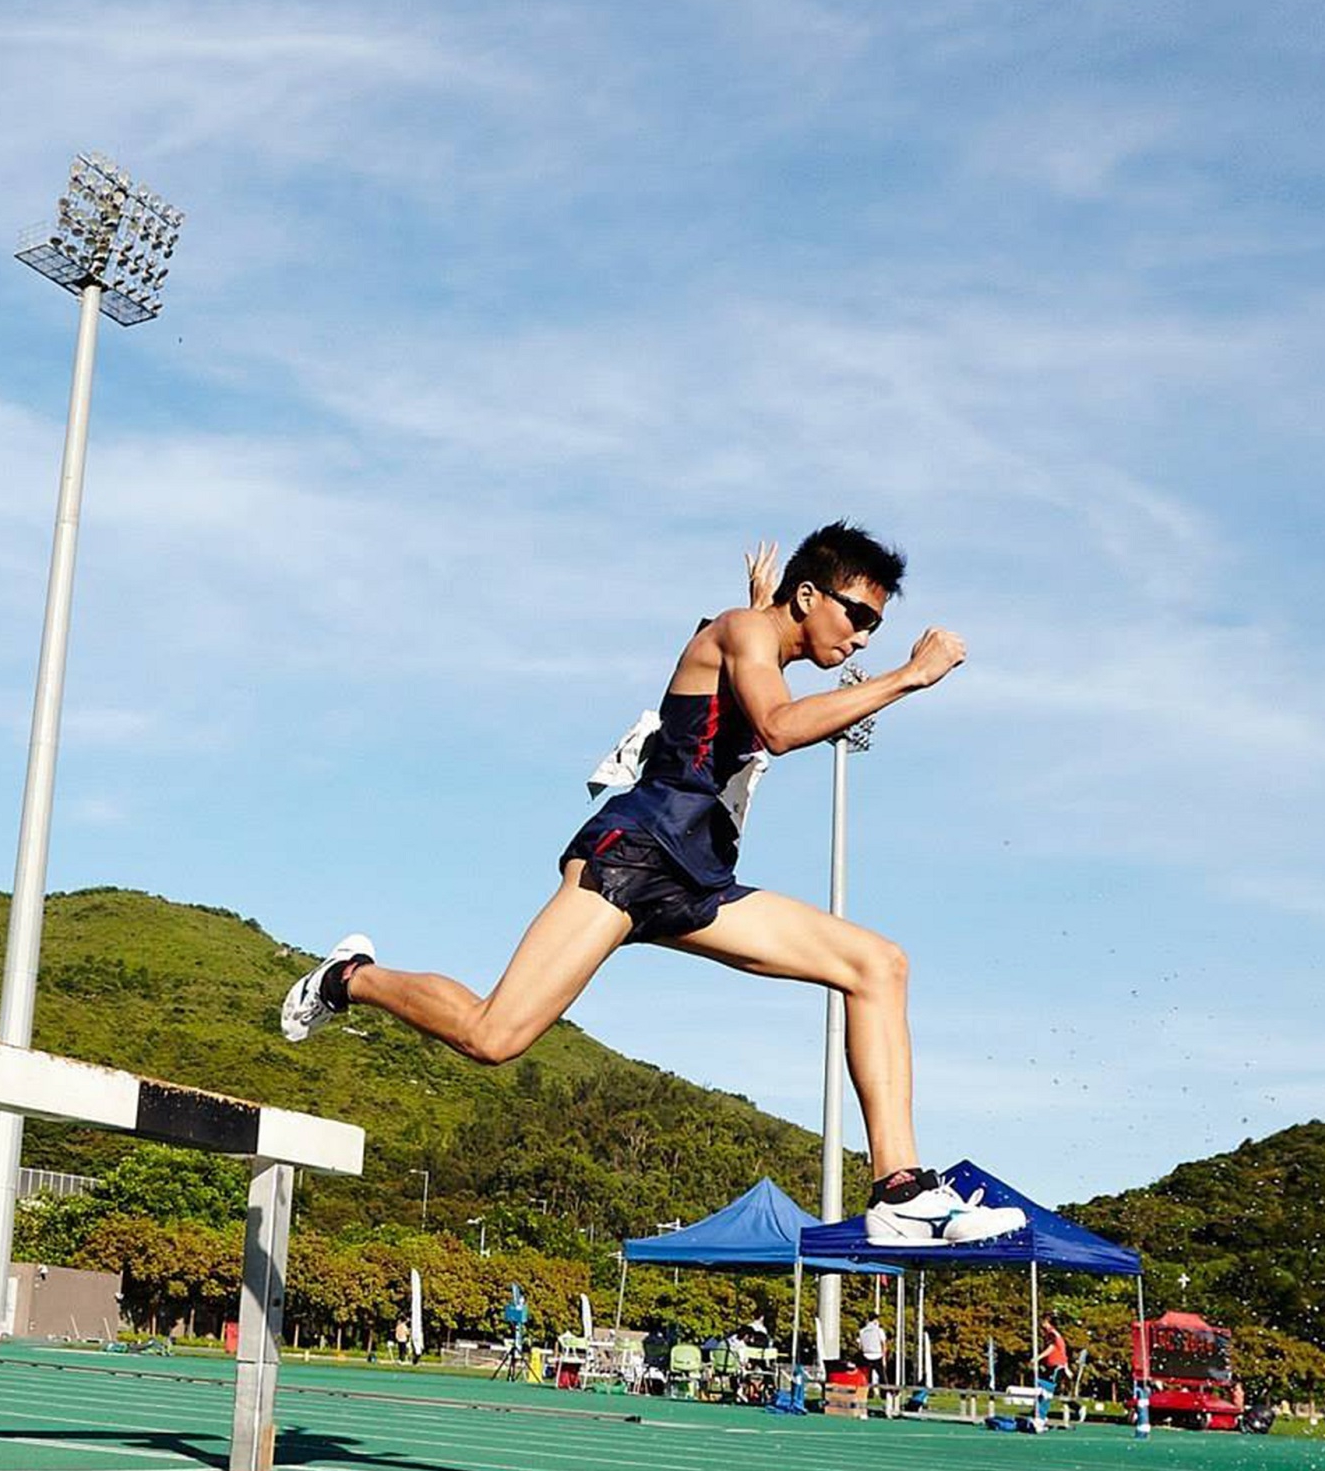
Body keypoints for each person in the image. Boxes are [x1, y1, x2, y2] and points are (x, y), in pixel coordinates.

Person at [280, 525, 1025, 1248]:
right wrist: (908, 677)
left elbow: (756, 681)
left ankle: (899, 1191)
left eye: (877, 629)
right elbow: (778, 725)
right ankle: (351, 978)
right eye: (857, 615)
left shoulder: (758, 635)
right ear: (808, 595)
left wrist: (769, 618)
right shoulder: (744, 630)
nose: (864, 638)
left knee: (878, 963)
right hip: (634, 856)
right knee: (492, 1035)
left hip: (696, 879)